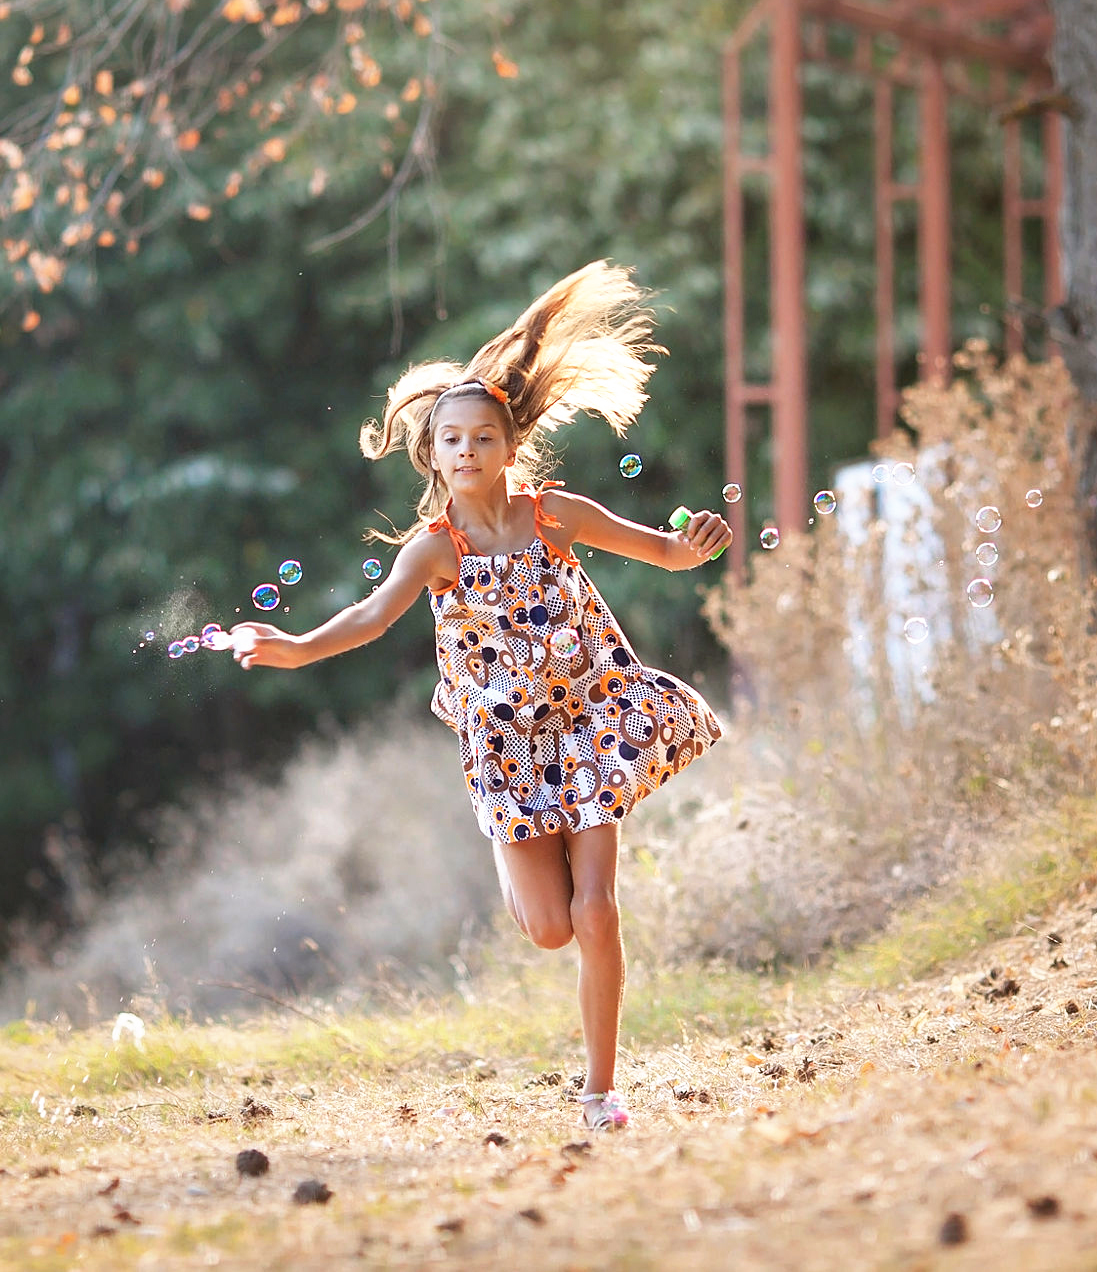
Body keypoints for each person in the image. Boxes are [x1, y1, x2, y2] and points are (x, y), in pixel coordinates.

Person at [229, 262, 731, 1132]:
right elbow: (370, 615)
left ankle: (601, 1091)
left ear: (510, 447)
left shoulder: (556, 514)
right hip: (505, 746)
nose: (466, 451)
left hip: (590, 717)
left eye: (483, 438)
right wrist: (300, 647)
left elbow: (660, 549)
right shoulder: (434, 548)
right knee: (549, 928)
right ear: (432, 455)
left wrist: (696, 545)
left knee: (597, 907)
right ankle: (527, 862)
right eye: (450, 440)